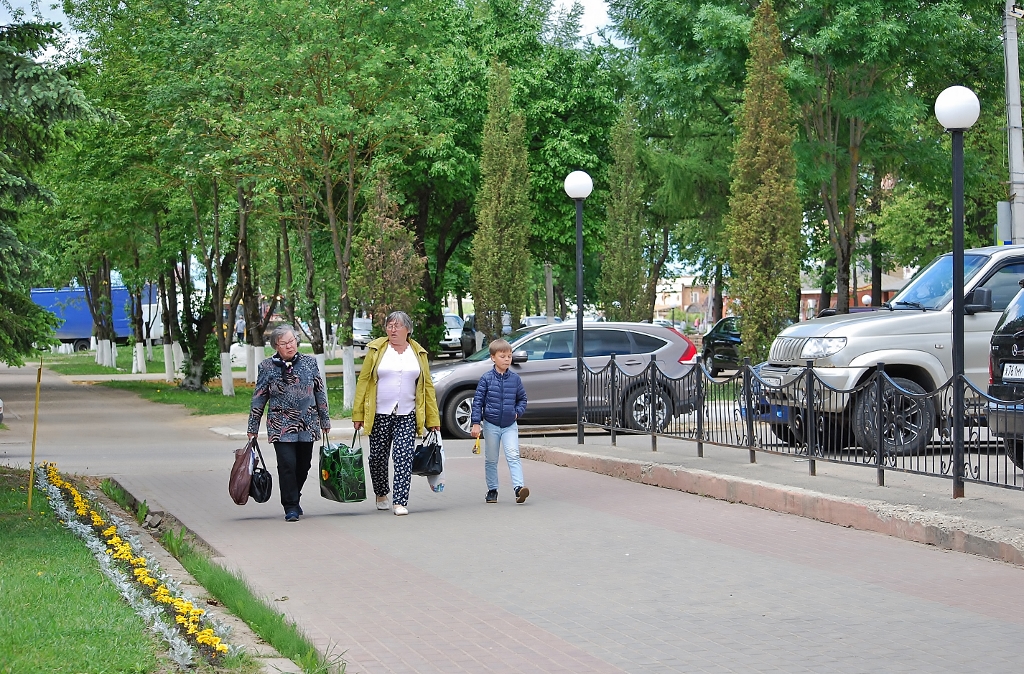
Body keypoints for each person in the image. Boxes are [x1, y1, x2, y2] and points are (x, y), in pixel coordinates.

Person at [352, 311, 441, 516]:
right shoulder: (377, 350)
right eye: (390, 325)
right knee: (377, 458)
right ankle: (381, 493)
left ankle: (400, 501)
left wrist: (432, 419)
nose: (392, 329)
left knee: (403, 457)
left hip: (407, 414)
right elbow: (363, 381)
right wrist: (358, 415)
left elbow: (427, 387)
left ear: (407, 330)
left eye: (397, 326)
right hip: (379, 413)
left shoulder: (418, 353)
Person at [247, 324, 330, 522]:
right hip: (281, 424)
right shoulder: (267, 367)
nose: (290, 346)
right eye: (284, 343)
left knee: (304, 465)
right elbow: (259, 397)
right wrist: (253, 427)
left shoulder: (309, 363)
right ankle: (290, 505)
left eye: (292, 341)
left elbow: (319, 391)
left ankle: (295, 494)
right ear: (276, 345)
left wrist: (325, 419)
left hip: (307, 423)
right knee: (287, 465)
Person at [471, 339, 529, 504]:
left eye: (509, 356)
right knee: (491, 458)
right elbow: (478, 402)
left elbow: (522, 399)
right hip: (491, 425)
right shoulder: (486, 379)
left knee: (513, 455)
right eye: (502, 356)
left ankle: (519, 489)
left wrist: (517, 412)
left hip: (510, 424)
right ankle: (492, 490)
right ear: (493, 358)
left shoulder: (515, 379)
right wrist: (476, 423)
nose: (506, 359)